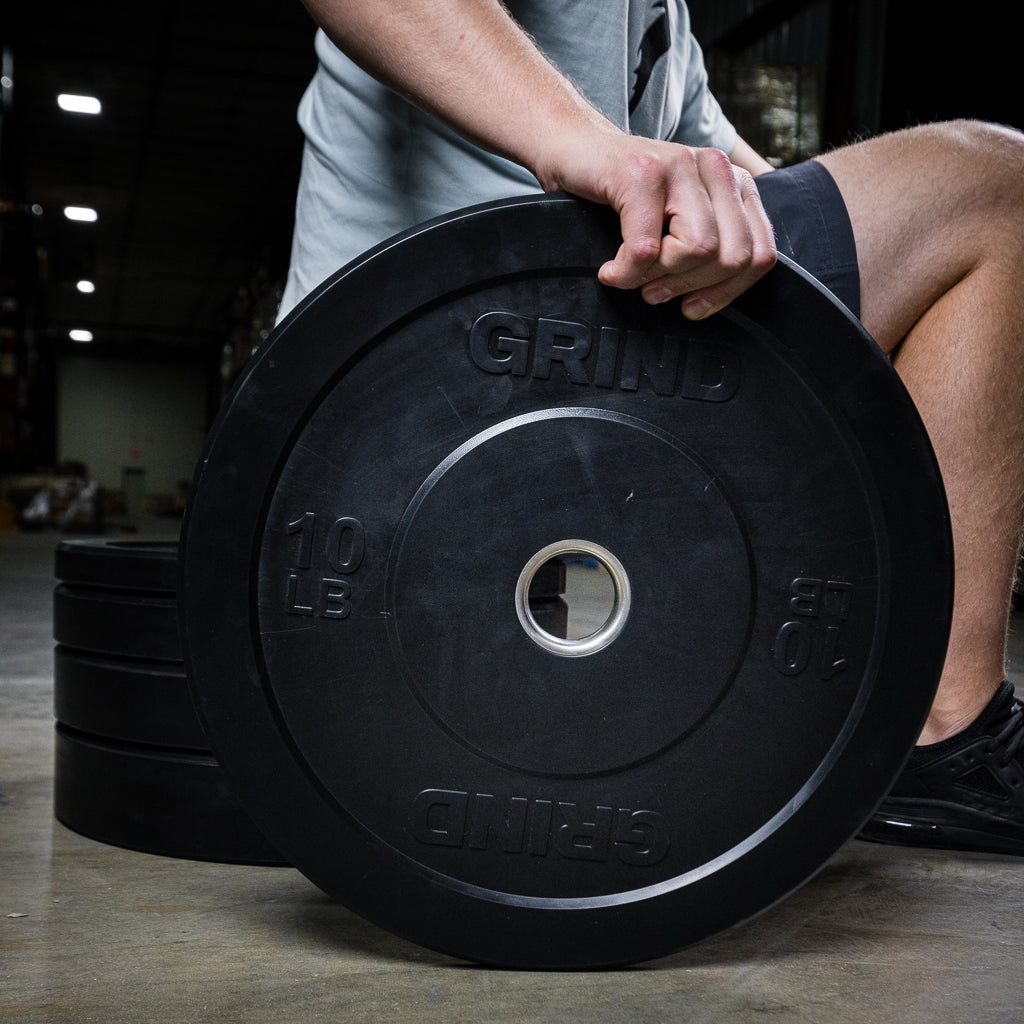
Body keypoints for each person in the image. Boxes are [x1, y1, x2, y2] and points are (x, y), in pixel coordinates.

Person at [280, 1, 1024, 855]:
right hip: (420, 362)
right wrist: (579, 141)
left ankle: (893, 719)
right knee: (998, 188)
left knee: (938, 234)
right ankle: (944, 729)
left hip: (552, 353)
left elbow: (746, 190)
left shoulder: (662, 29)